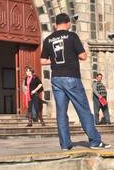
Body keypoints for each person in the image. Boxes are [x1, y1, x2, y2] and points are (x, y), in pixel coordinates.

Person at [40, 14, 107, 150]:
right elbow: (83, 56)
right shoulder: (72, 36)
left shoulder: (48, 39)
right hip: (71, 78)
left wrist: (54, 60)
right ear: (68, 24)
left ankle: (65, 144)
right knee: (83, 110)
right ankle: (95, 141)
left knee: (61, 112)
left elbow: (42, 61)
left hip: (56, 79)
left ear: (55, 25)